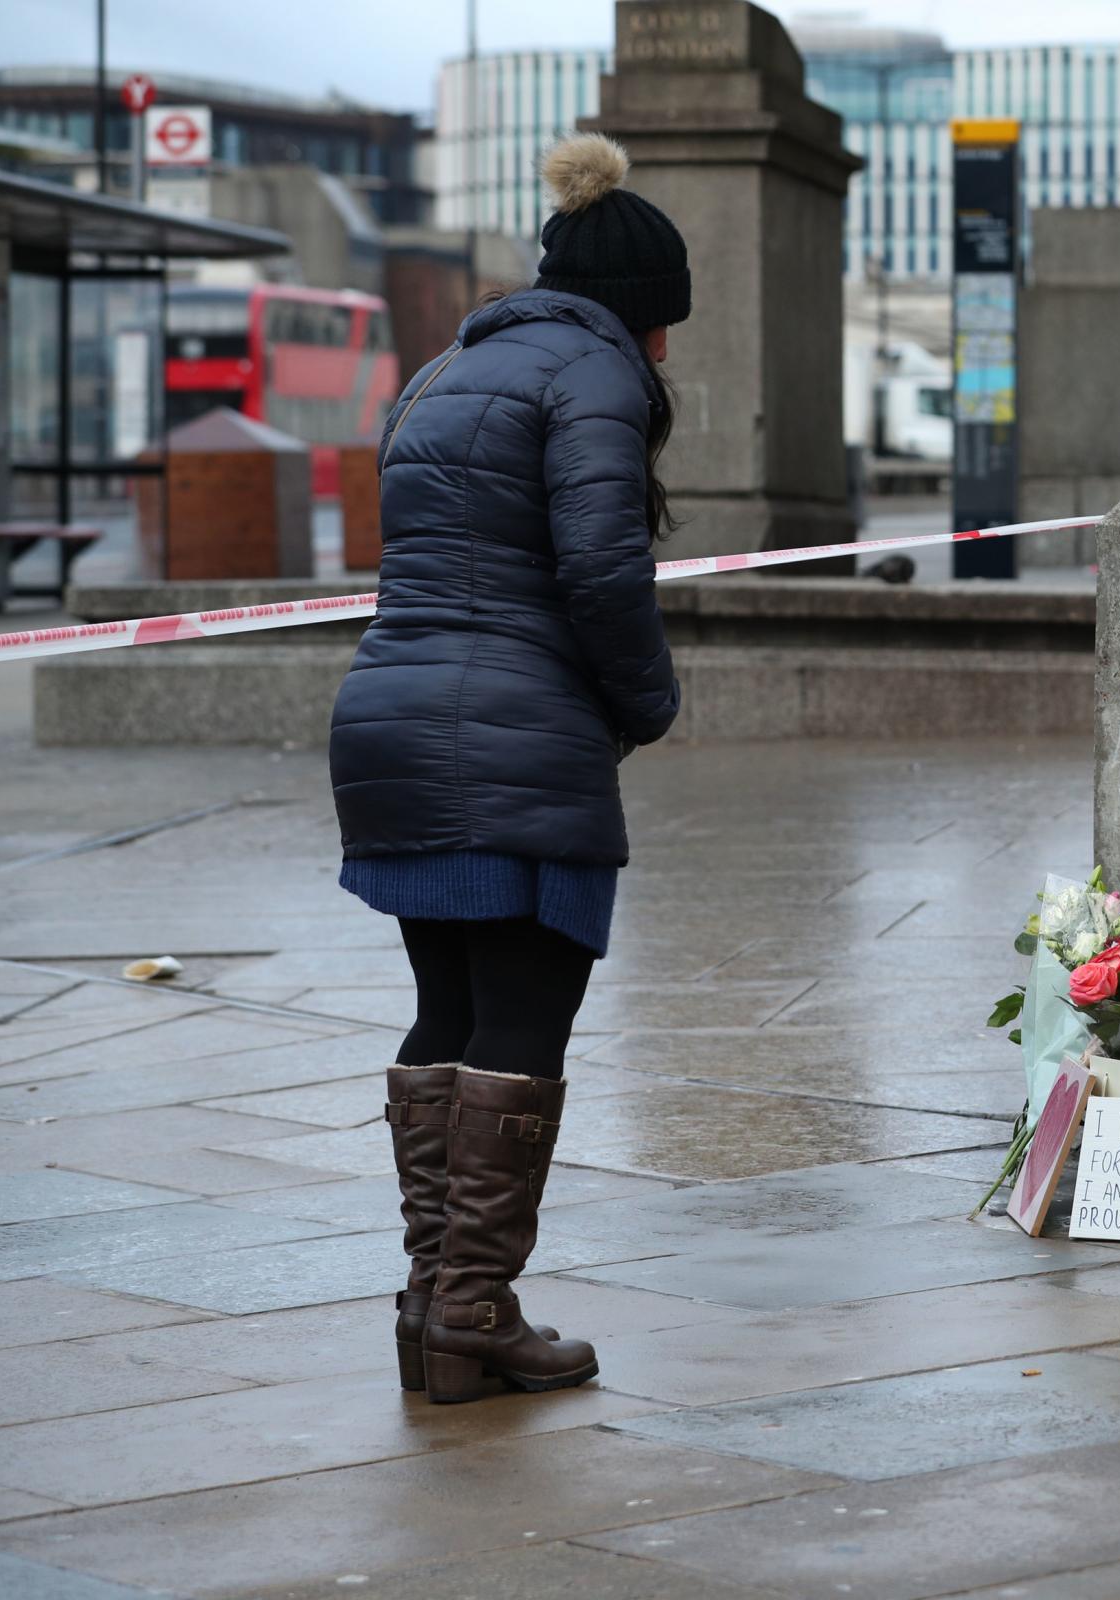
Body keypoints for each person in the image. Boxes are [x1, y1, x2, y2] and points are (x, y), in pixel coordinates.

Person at [329, 133, 684, 1405]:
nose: (666, 354)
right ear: (637, 312)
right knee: (525, 1017)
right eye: (666, 326)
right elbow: (600, 568)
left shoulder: (444, 370)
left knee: (450, 1010)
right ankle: (473, 1313)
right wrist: (648, 701)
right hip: (515, 737)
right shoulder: (595, 373)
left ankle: (435, 1305)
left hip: (392, 725)